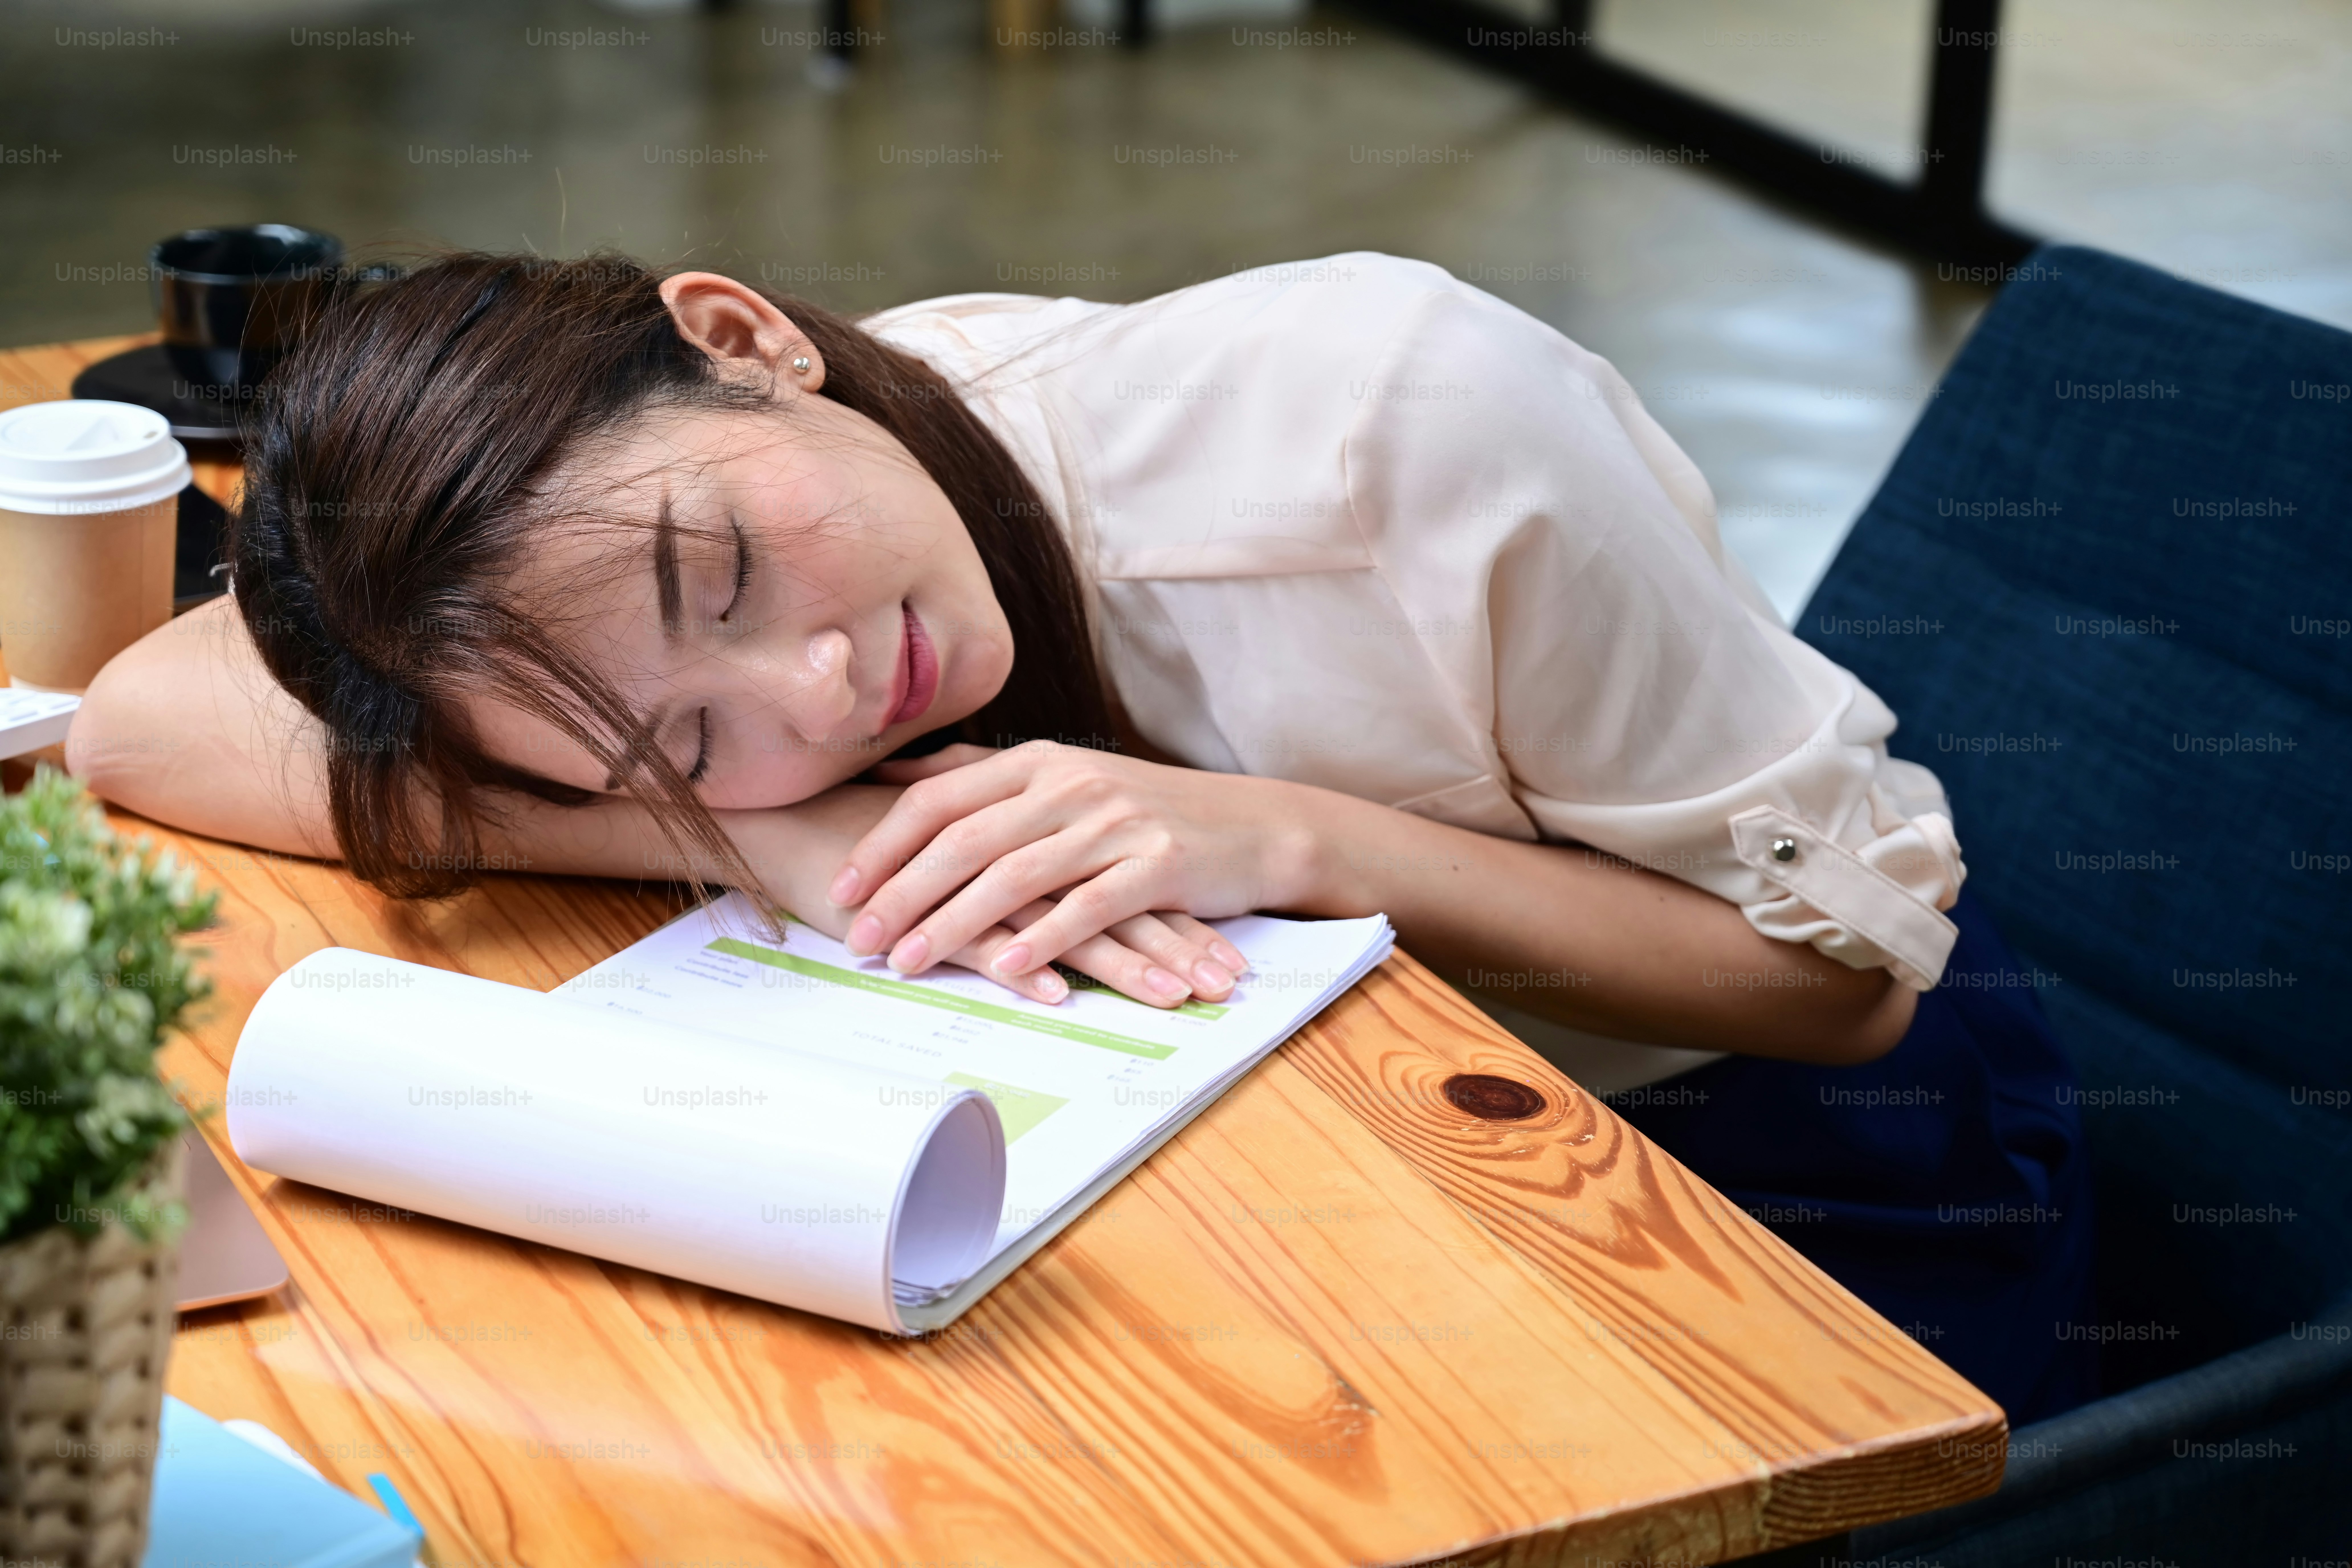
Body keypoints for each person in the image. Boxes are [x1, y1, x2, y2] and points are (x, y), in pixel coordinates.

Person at [73, 250, 2094, 1421]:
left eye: (723, 576)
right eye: (679, 737)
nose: (810, 693)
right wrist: (780, 844)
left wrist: (1293, 841)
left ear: (750, 335)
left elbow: (1841, 999)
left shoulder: (1399, 420)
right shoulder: (666, 674)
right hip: (1259, 1162)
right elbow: (150, 717)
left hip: (1746, 1170)